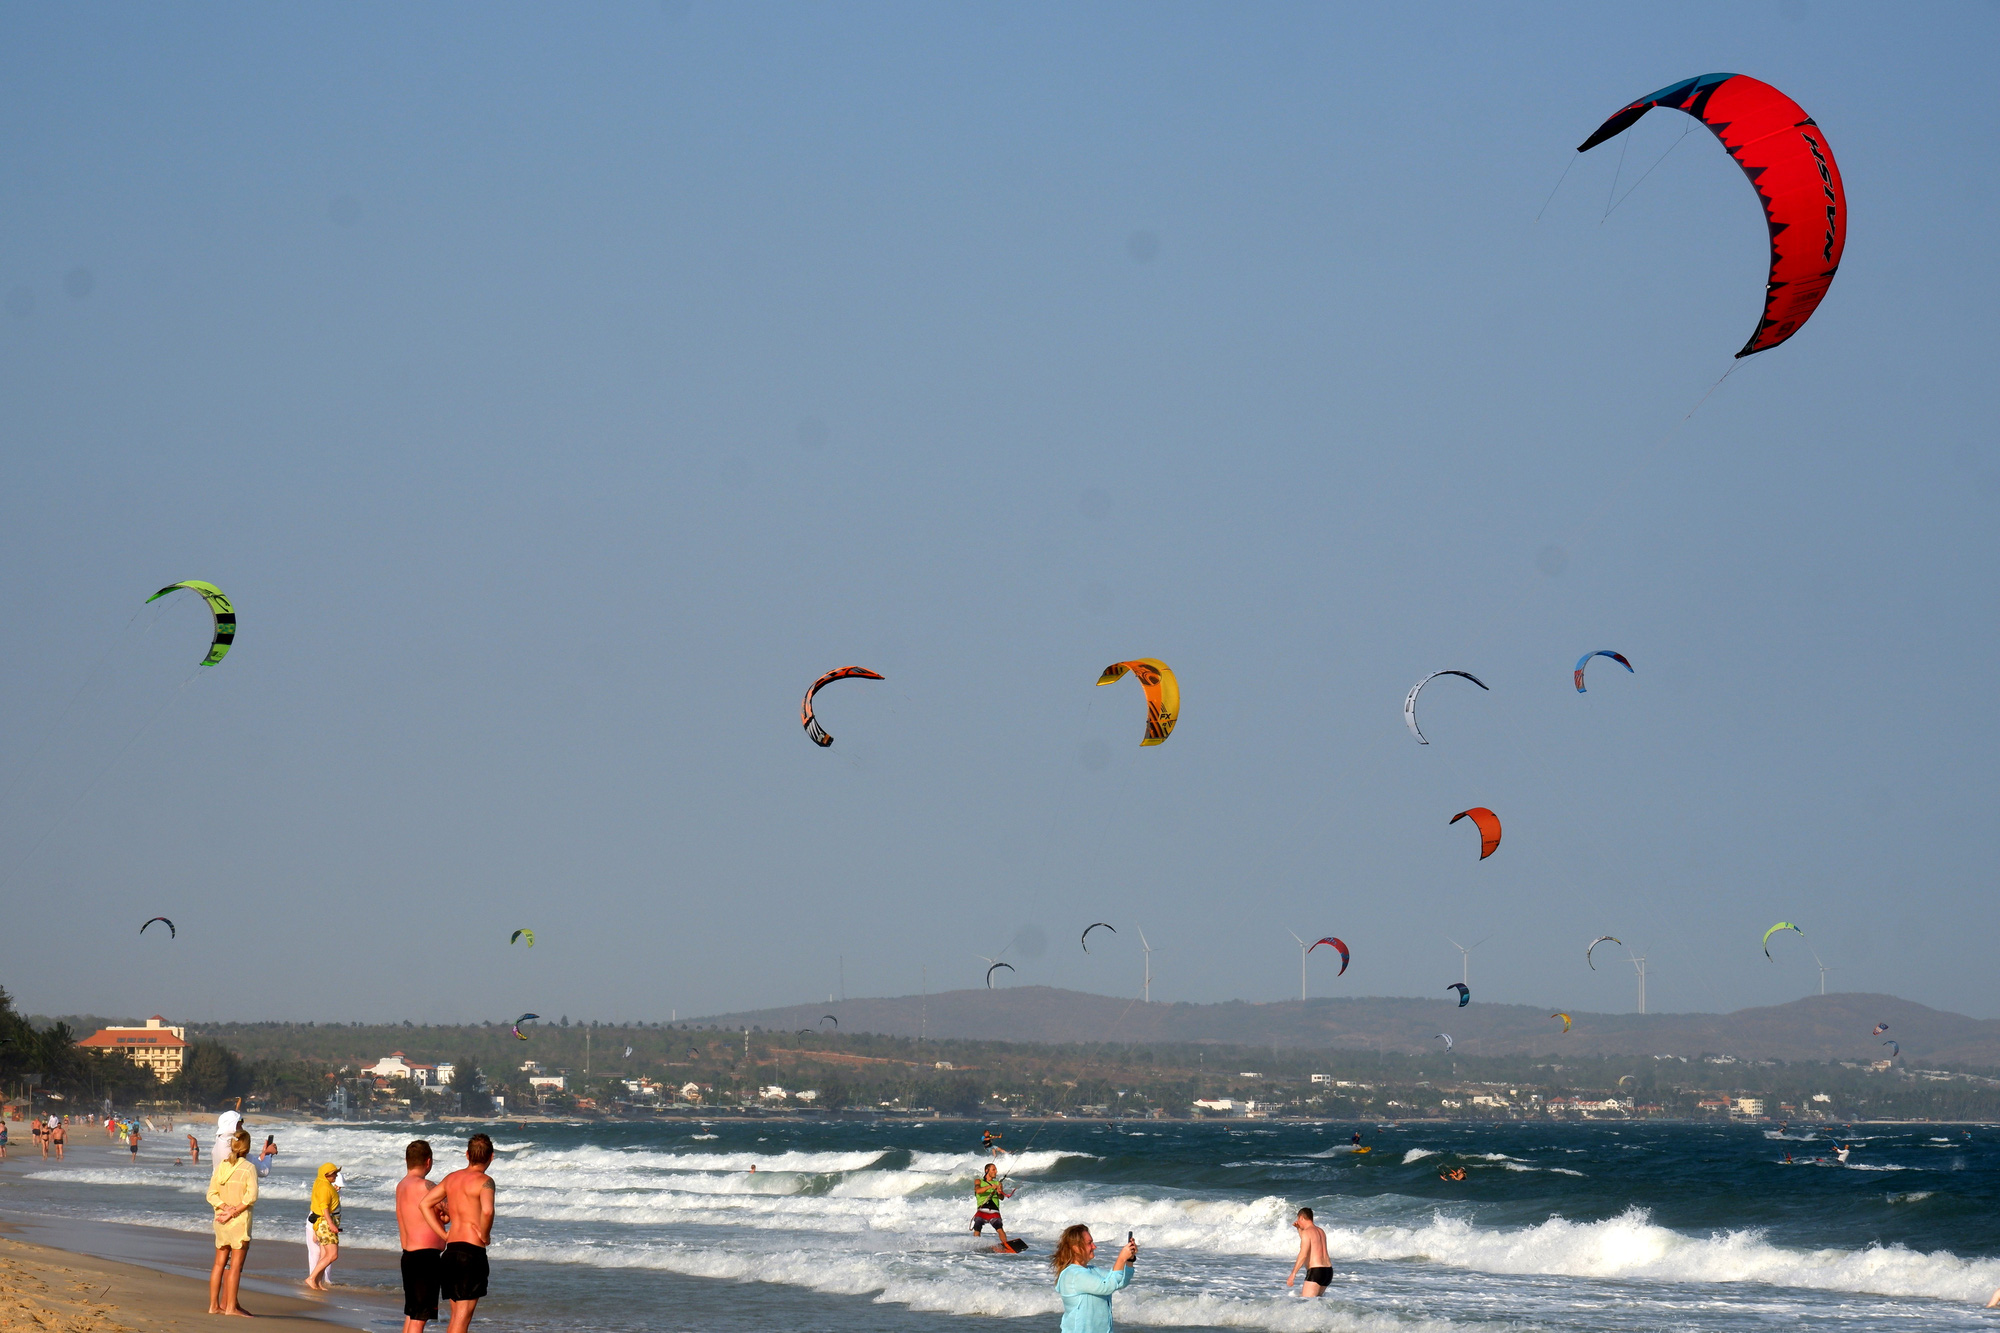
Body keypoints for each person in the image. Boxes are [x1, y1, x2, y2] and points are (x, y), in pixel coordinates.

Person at [422, 1134, 496, 1333]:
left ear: (467, 1155)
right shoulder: (485, 1181)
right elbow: (487, 1211)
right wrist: (486, 1235)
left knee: (456, 1317)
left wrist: (444, 1234)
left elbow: (425, 1204)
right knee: (462, 1320)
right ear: (491, 1156)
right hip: (471, 1253)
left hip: (451, 1251)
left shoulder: (452, 1178)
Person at [396, 1140, 449, 1333]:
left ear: (407, 1161)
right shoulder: (426, 1185)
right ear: (428, 1162)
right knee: (420, 1317)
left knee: (412, 1315)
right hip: (425, 1257)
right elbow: (451, 1210)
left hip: (408, 1255)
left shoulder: (401, 1185)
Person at [206, 1129, 259, 1316]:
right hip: (238, 1222)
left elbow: (211, 1194)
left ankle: (214, 1306)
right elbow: (250, 1197)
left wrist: (224, 1208)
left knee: (219, 1263)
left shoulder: (222, 1166)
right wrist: (233, 1212)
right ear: (247, 1147)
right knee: (235, 1265)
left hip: (220, 1219)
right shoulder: (249, 1168)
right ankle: (230, 1307)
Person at [1052, 1224, 1135, 1333]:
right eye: (1089, 1243)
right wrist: (1121, 1258)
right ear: (1076, 1248)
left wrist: (1129, 1260)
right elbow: (1107, 1287)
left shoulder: (1092, 1271)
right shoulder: (1072, 1274)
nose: (1094, 1246)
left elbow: (1120, 1282)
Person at [306, 1162, 343, 1290]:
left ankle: (318, 1282)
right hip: (325, 1223)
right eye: (334, 1173)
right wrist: (331, 1224)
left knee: (324, 1255)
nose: (336, 1175)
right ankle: (311, 1278)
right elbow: (324, 1208)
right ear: (326, 1175)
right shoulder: (324, 1187)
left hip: (323, 1223)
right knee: (332, 1255)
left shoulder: (321, 1183)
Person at [1285, 1207, 1332, 1297]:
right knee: (1316, 1303)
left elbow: (1303, 1254)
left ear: (1301, 1217)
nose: (1297, 1221)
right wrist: (1299, 1229)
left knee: (1306, 1303)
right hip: (1328, 1272)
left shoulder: (1307, 1232)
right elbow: (1310, 1243)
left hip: (1316, 1271)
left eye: (1298, 1219)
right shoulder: (1321, 1231)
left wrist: (1293, 1274)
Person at [971, 1163, 1014, 1250]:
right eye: (993, 1170)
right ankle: (975, 1247)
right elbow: (978, 1191)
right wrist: (990, 1186)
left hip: (994, 1210)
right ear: (987, 1171)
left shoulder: (998, 1183)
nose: (996, 1172)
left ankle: (1006, 1246)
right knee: (977, 1226)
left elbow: (1001, 1198)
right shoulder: (978, 1181)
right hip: (982, 1209)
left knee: (999, 1228)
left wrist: (999, 1192)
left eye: (996, 1170)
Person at [214, 1098, 243, 1163]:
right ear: (232, 1126)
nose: (242, 1129)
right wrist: (266, 1155)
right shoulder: (232, 1146)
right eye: (239, 1126)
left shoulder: (219, 1140)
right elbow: (262, 1170)